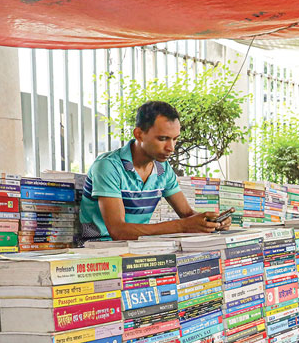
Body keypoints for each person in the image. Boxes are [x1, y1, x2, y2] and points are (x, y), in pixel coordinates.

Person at [78, 100, 229, 244]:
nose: (171, 148)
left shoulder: (163, 169)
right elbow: (118, 231)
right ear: (139, 134)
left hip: (139, 246)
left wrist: (212, 222)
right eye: (163, 139)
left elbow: (187, 214)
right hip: (99, 248)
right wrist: (182, 226)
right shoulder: (108, 166)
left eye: (175, 139)